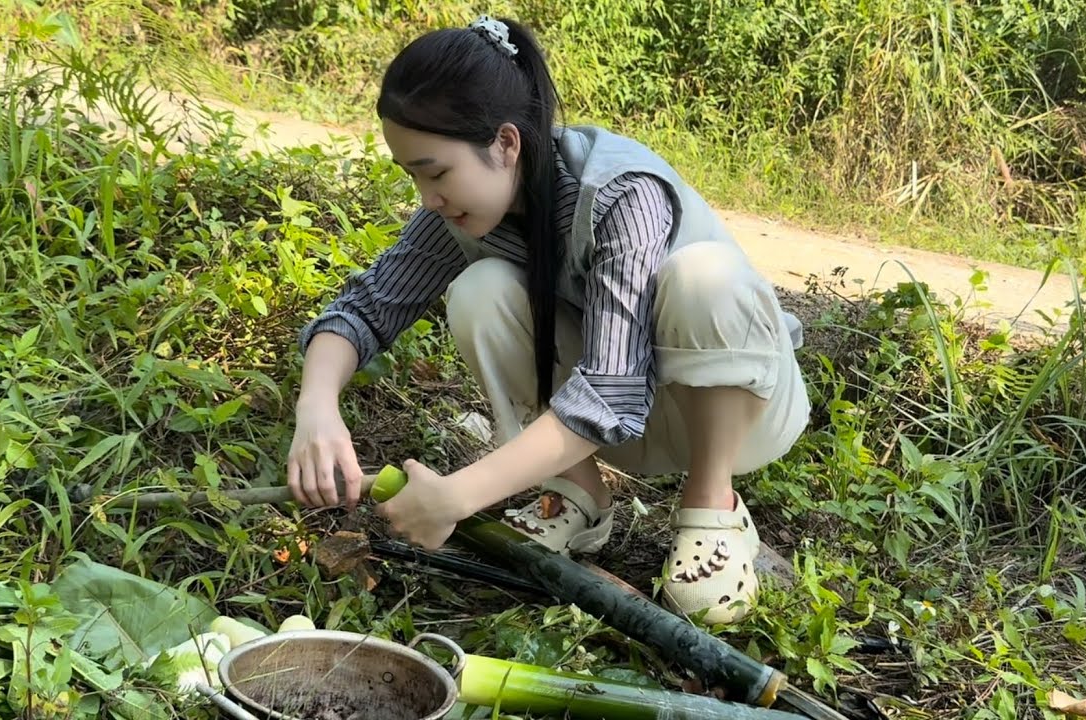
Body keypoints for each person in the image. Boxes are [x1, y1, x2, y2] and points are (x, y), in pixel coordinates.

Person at [286, 15, 811, 624]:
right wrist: (316, 407)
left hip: (736, 407)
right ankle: (579, 490)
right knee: (481, 290)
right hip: (619, 426)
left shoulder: (621, 193)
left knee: (704, 276)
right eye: (414, 177)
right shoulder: (460, 210)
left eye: (435, 172)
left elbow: (611, 391)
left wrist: (458, 495)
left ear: (506, 143)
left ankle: (711, 505)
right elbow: (367, 306)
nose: (427, 197)